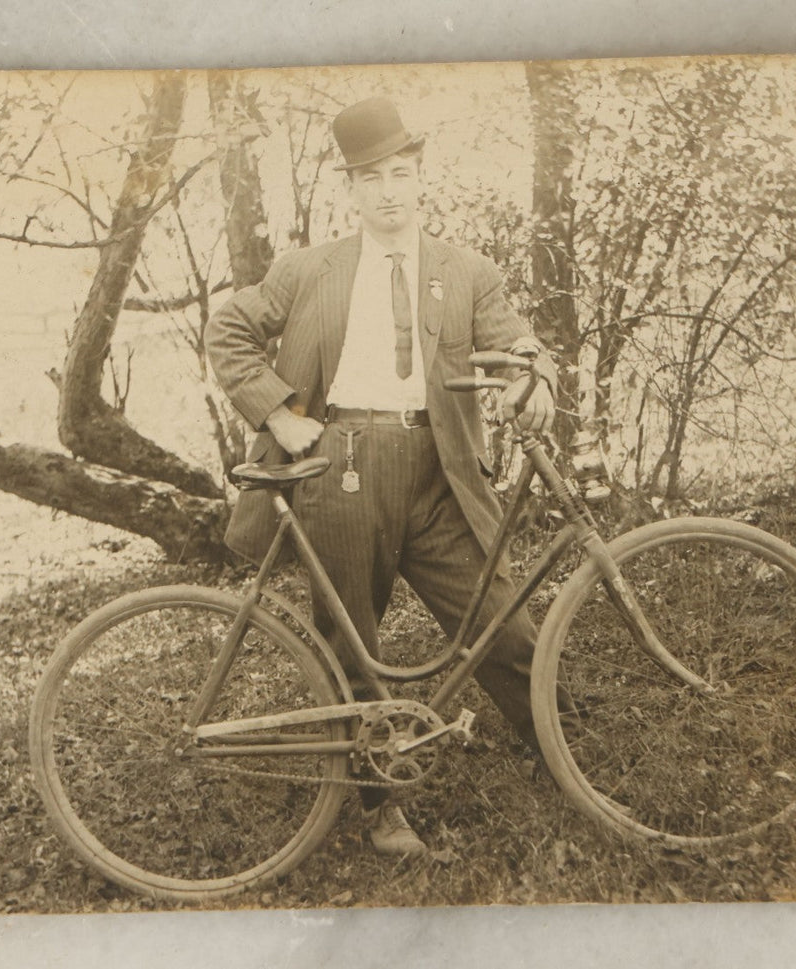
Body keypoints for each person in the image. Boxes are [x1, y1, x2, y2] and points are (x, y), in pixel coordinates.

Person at [205, 96, 556, 857]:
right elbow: (228, 328)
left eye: (401, 173)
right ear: (351, 189)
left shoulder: (467, 272)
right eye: (372, 178)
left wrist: (535, 378)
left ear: (419, 176)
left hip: (438, 474)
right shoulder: (308, 270)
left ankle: (561, 756)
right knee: (348, 645)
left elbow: (518, 343)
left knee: (504, 620)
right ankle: (378, 808)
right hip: (340, 469)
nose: (389, 191)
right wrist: (279, 414)